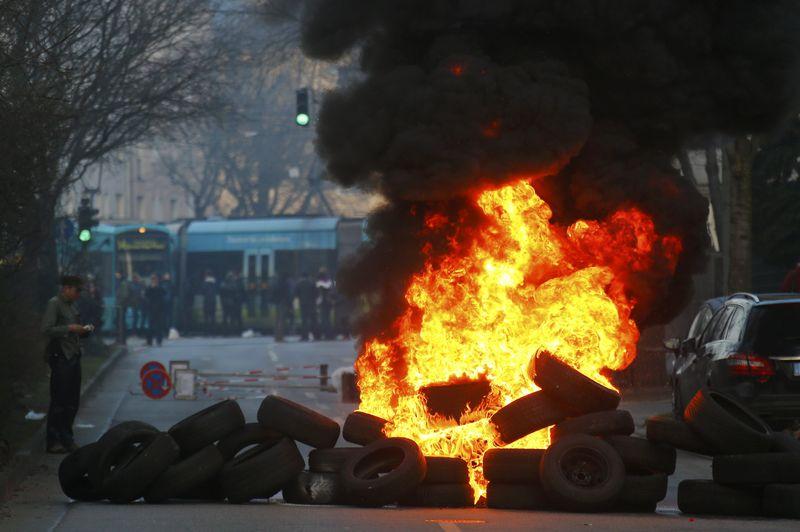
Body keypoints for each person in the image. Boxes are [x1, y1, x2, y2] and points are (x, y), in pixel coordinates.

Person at [41, 275, 94, 453]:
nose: (79, 294)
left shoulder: (72, 305)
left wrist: (83, 330)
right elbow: (47, 329)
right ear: (67, 288)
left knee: (72, 401)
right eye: (77, 290)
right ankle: (53, 439)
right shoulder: (54, 303)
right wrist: (70, 328)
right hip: (61, 356)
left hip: (73, 355)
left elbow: (74, 329)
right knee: (59, 400)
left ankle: (67, 437)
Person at [145, 274, 167, 346]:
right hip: (151, 309)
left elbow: (164, 293)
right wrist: (151, 288)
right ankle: (149, 341)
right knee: (150, 326)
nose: (154, 281)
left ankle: (159, 341)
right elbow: (146, 295)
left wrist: (156, 287)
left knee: (159, 326)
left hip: (159, 309)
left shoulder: (160, 287)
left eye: (155, 280)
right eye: (153, 280)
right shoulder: (149, 288)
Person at [294, 272, 317, 341]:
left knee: (304, 320)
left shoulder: (299, 283)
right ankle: (315, 335)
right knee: (313, 320)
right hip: (311, 304)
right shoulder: (312, 283)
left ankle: (304, 336)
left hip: (303, 304)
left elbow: (296, 293)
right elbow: (316, 293)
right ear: (308, 276)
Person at [271, 273, 291, 342]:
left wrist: (274, 301)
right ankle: (281, 337)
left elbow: (273, 293)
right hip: (283, 303)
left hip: (277, 303)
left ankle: (276, 336)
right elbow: (287, 294)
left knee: (277, 321)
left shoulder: (276, 284)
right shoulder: (285, 284)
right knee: (282, 321)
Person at [316, 268, 334, 340]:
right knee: (328, 319)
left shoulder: (319, 284)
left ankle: (325, 334)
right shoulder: (329, 282)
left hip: (323, 303)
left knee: (324, 319)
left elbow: (319, 294)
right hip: (328, 303)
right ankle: (329, 334)